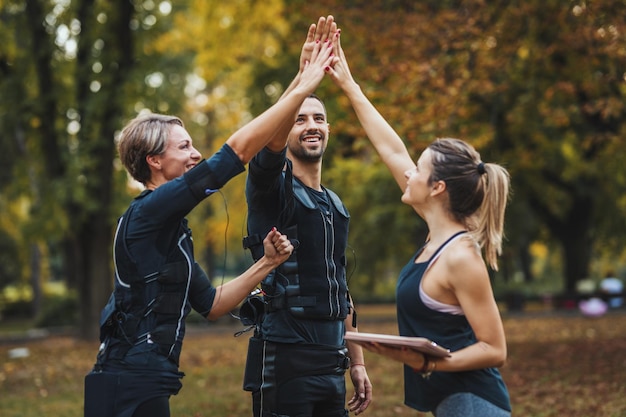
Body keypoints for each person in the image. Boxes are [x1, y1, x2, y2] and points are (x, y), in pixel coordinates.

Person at [83, 36, 335, 417]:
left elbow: (213, 305)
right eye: (183, 147)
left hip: (145, 381)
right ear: (154, 161)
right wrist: (303, 86)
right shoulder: (148, 212)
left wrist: (266, 263)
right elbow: (231, 157)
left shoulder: (170, 231)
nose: (195, 153)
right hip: (125, 382)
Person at [325, 32, 512, 416]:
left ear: (437, 188)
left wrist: (430, 363)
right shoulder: (436, 233)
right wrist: (348, 84)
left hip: (474, 403)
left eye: (419, 171)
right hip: (450, 403)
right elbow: (392, 150)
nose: (409, 174)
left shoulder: (461, 256)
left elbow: (495, 349)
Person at [241, 15, 372, 417]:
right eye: (300, 119)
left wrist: (358, 362)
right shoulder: (272, 189)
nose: (310, 125)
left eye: (317, 118)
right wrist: (300, 85)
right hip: (284, 361)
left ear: (329, 129)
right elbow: (267, 149)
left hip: (331, 362)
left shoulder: (335, 203)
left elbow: (340, 287)